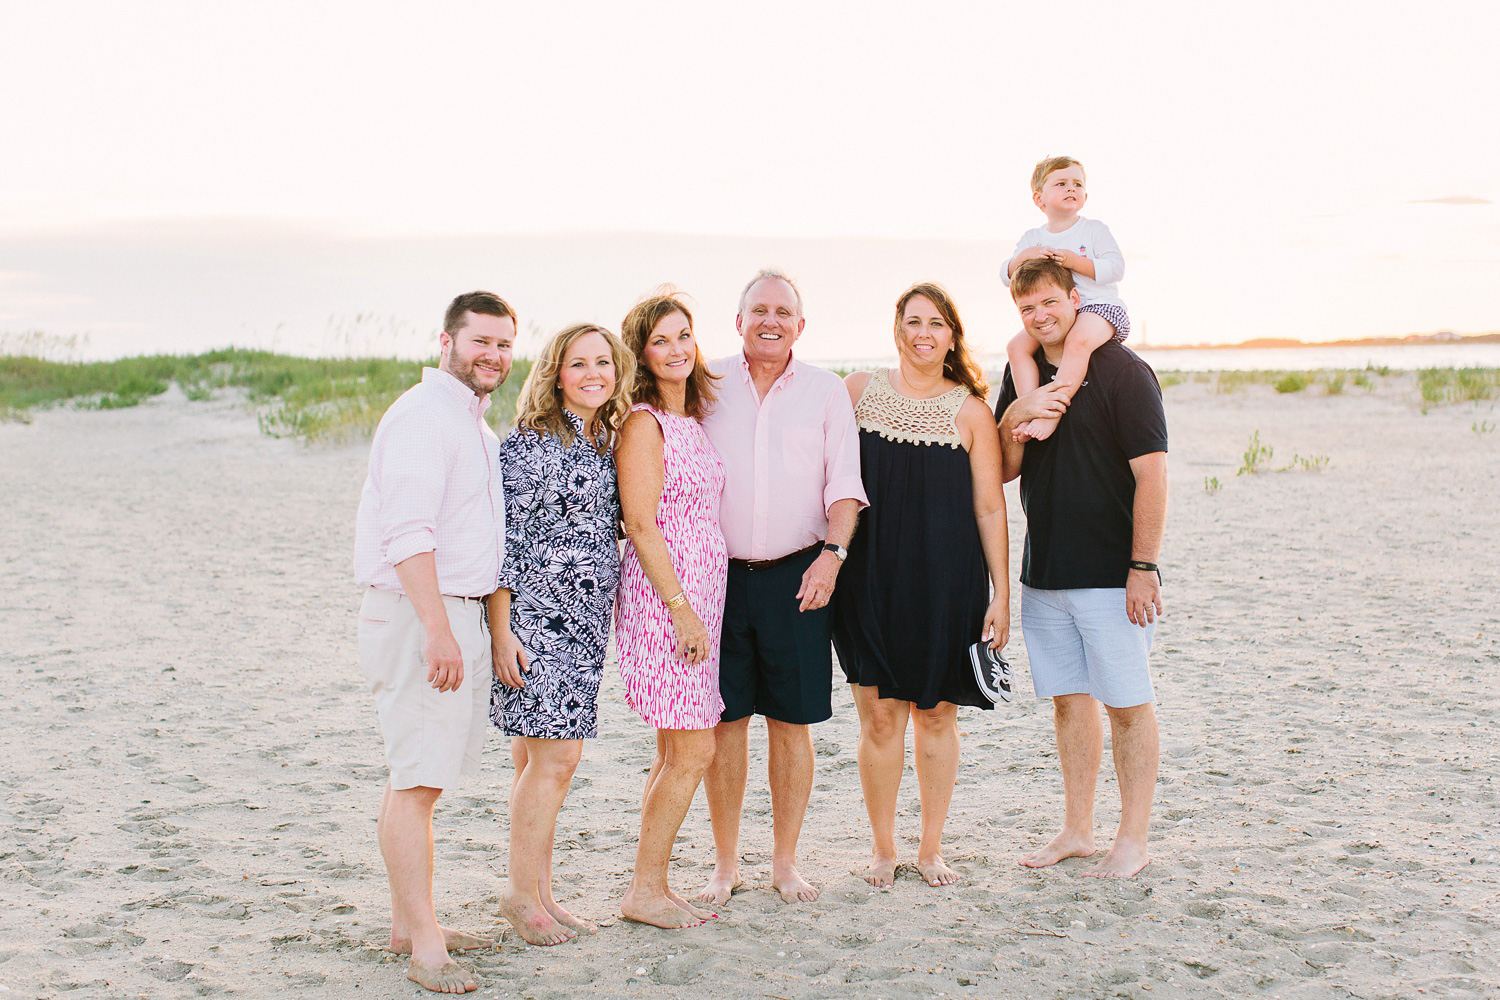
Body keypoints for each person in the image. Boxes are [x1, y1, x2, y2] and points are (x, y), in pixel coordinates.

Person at [353, 290, 516, 994]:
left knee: (416, 776)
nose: (494, 355)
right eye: (480, 341)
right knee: (417, 783)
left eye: (504, 344)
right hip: (422, 612)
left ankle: (406, 922)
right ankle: (424, 946)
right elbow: (407, 534)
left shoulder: (472, 426)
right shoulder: (425, 418)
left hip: (449, 612)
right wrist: (439, 630)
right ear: (445, 341)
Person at [697, 269, 868, 905]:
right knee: (726, 723)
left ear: (801, 325)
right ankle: (724, 862)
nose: (771, 321)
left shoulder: (825, 392)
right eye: (759, 310)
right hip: (717, 580)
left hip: (800, 579)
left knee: (792, 725)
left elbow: (844, 486)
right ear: (738, 320)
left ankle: (786, 861)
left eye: (783, 312)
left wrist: (832, 557)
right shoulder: (704, 382)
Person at [831, 282, 1010, 889]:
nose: (924, 333)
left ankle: (931, 848)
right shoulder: (857, 392)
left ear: (952, 337)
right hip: (869, 579)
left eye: (936, 324)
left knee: (935, 718)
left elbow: (990, 508)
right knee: (879, 720)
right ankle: (884, 849)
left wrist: (1001, 594)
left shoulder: (970, 412)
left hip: (947, 584)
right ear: (897, 329)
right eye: (913, 321)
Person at [994, 257, 1168, 878]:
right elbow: (1006, 467)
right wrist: (1016, 414)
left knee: (1126, 704)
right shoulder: (1023, 375)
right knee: (1070, 703)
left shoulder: (1123, 370)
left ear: (1075, 299)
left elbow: (1152, 473)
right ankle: (1077, 829)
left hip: (1111, 574)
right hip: (1044, 574)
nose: (1040, 317)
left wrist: (1143, 564)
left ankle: (1135, 838)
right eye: (1027, 310)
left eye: (1049, 303)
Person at [487, 323, 634, 946]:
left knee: (543, 762)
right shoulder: (526, 446)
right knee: (556, 759)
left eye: (604, 362)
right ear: (555, 373)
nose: (593, 373)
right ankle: (521, 898)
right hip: (535, 623)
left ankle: (541, 892)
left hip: (584, 623)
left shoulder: (604, 442)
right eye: (579, 364)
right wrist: (501, 633)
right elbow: (503, 547)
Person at [614, 291, 728, 929]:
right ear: (641, 352)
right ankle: (644, 891)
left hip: (700, 601)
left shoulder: (692, 420)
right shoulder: (643, 422)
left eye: (684, 335)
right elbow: (639, 523)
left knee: (672, 751)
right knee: (693, 752)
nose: (677, 348)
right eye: (661, 340)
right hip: (668, 604)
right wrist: (682, 610)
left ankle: (650, 884)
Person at [1002, 155, 1130, 442]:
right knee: (1016, 348)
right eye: (1061, 183)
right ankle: (1032, 405)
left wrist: (1075, 261)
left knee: (1077, 342)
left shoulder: (1094, 230)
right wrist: (1025, 256)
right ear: (1039, 199)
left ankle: (1052, 413)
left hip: (1099, 308)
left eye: (1078, 184)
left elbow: (1116, 268)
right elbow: (1006, 274)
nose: (1071, 188)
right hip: (1057, 313)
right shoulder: (1032, 237)